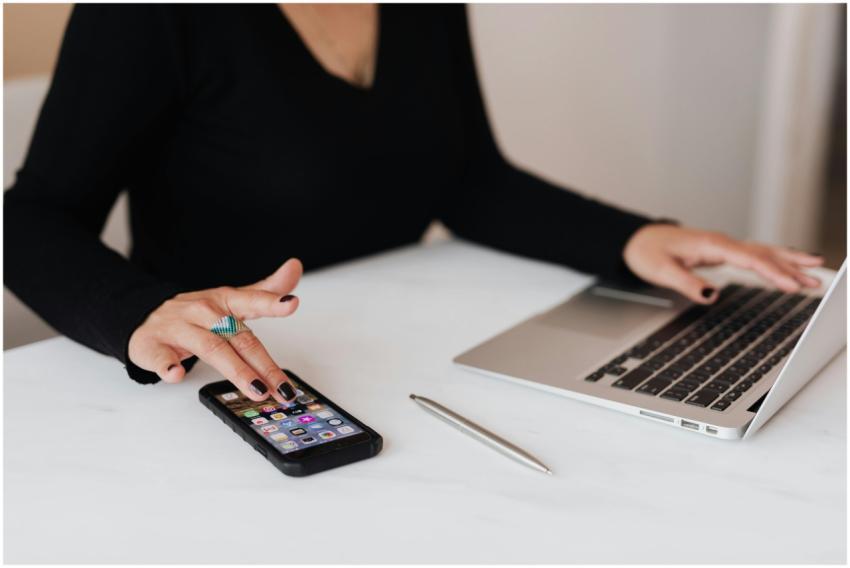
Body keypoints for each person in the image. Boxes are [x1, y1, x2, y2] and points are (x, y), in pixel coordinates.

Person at [4, 4, 823, 405]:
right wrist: (140, 312)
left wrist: (636, 237)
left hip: (413, 363)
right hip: (235, 386)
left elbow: (465, 177)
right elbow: (30, 218)